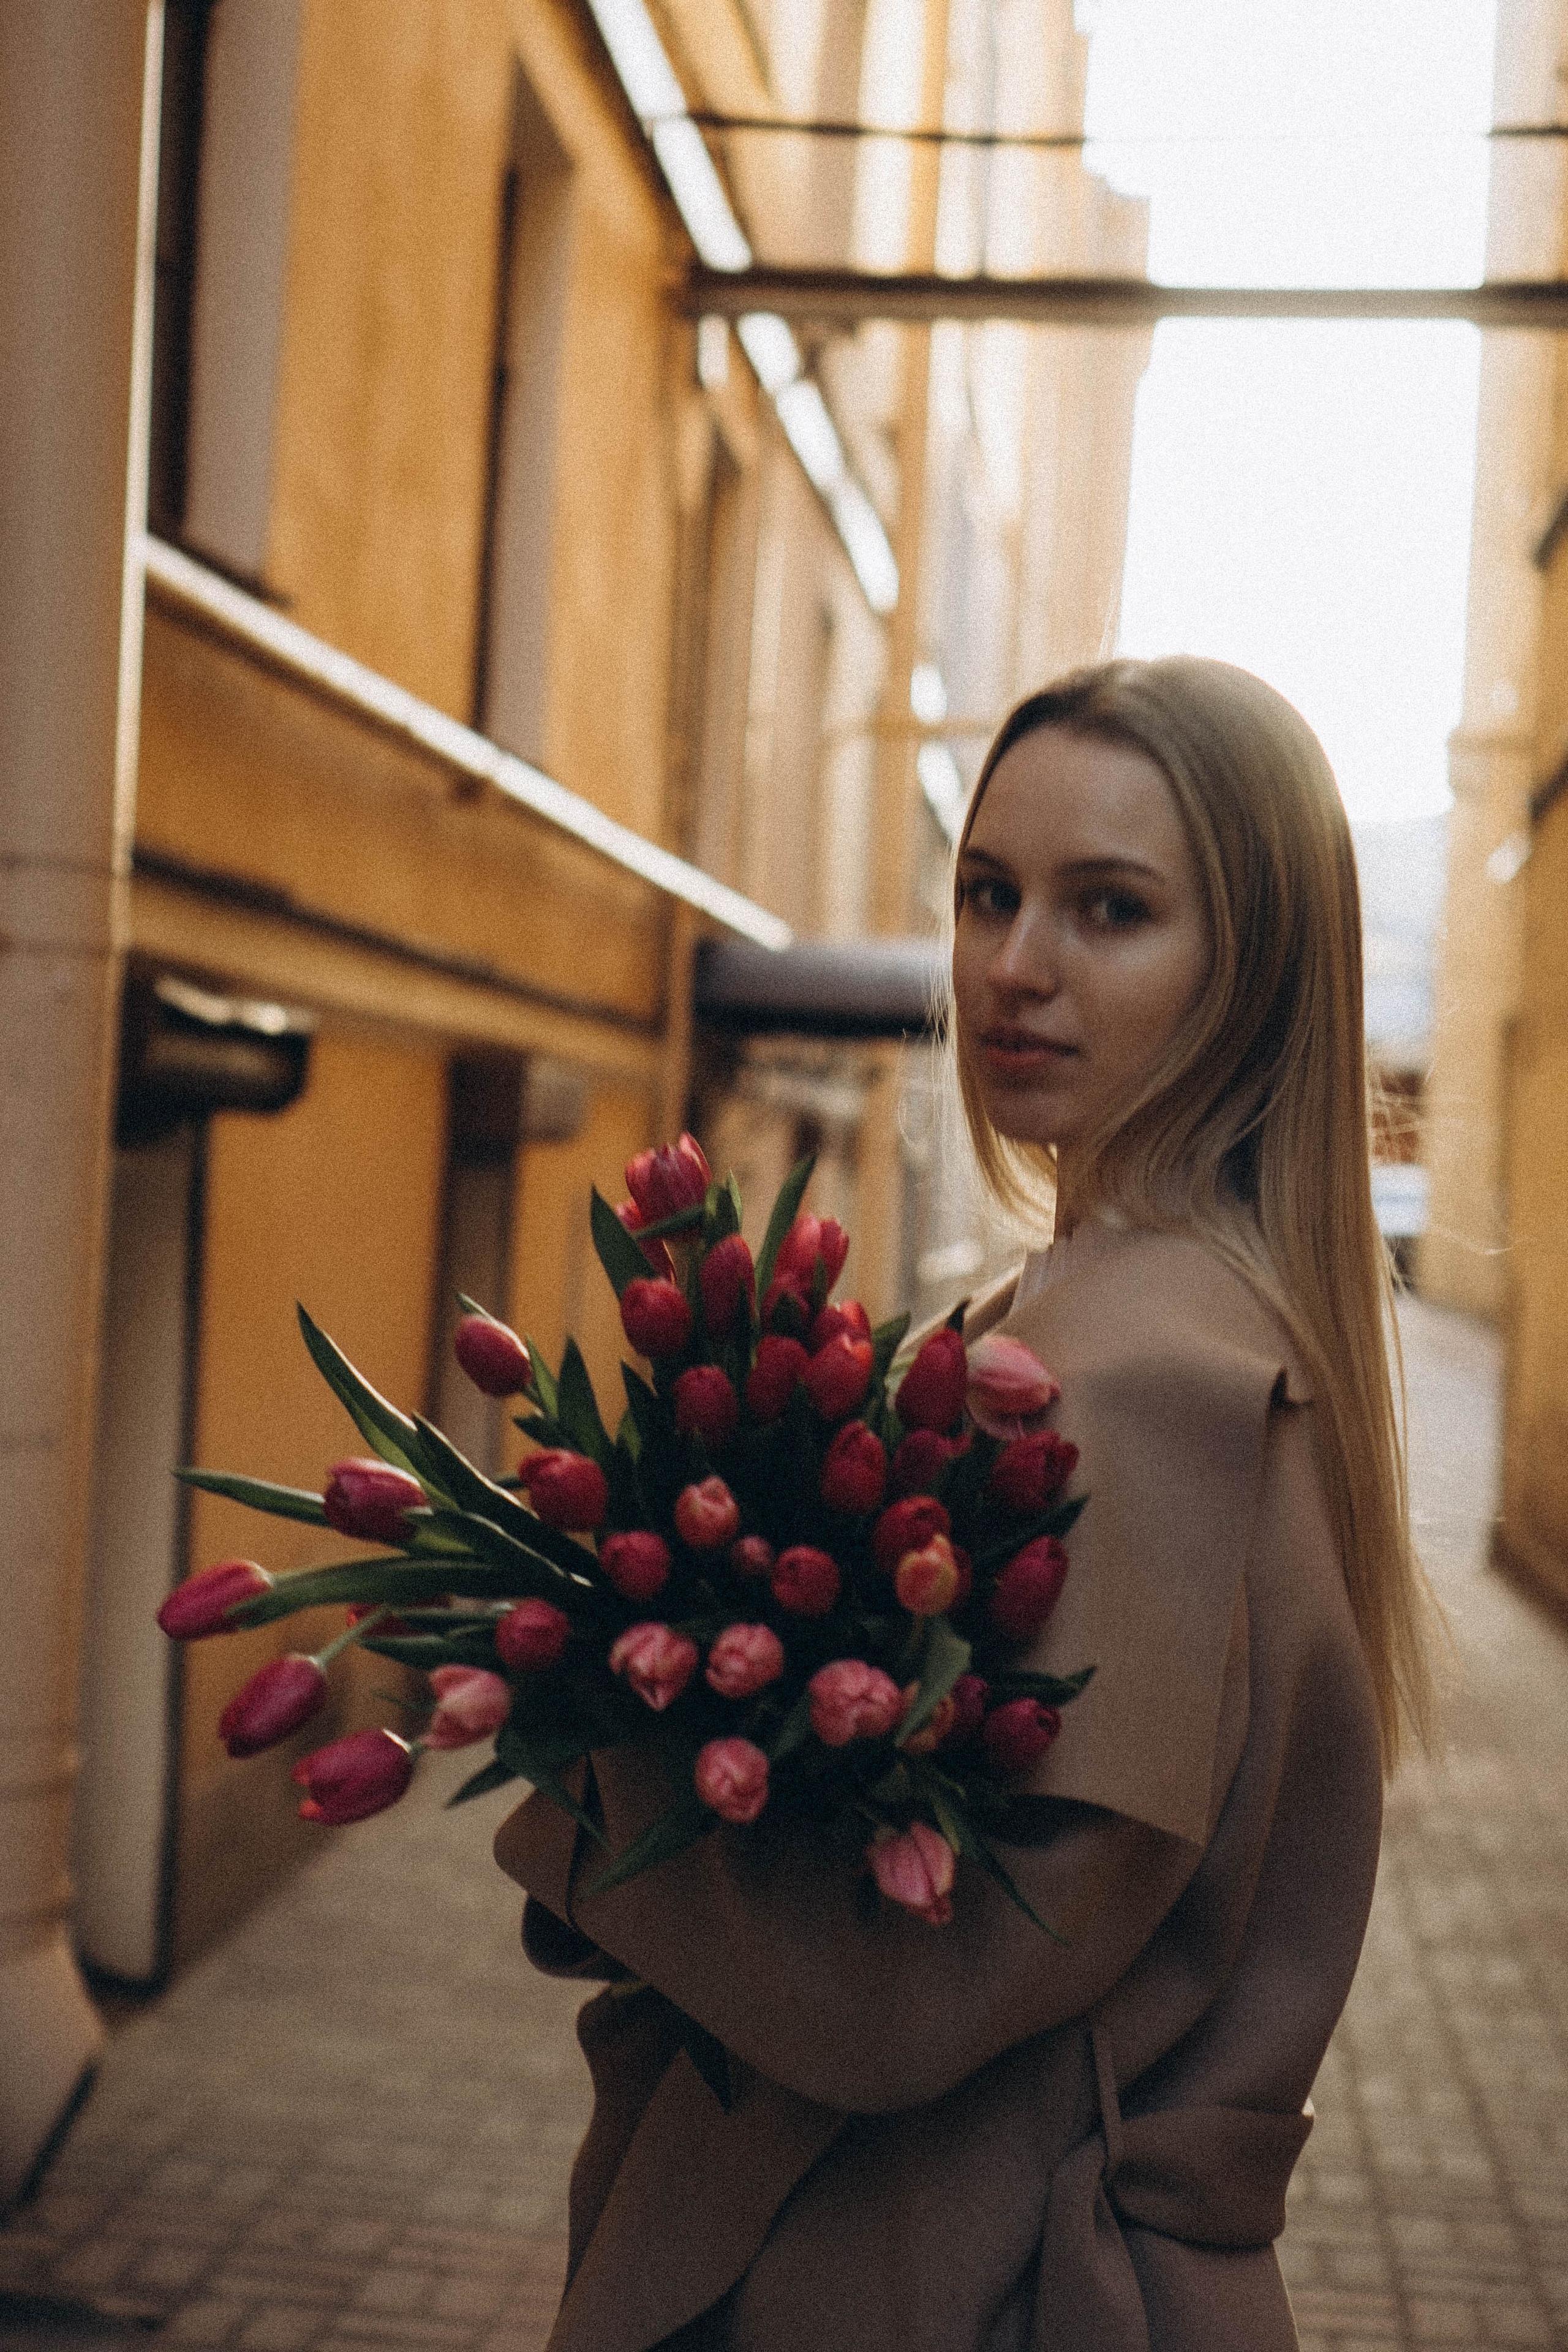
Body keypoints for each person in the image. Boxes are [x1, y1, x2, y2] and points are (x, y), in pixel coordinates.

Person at [494, 655, 1435, 2351]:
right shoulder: (1087, 1318)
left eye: (1112, 910)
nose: (1013, 966)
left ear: (1257, 971)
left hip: (948, 2271)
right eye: (989, 891)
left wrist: (567, 1751)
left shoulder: (1143, 1382)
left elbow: (907, 1995)